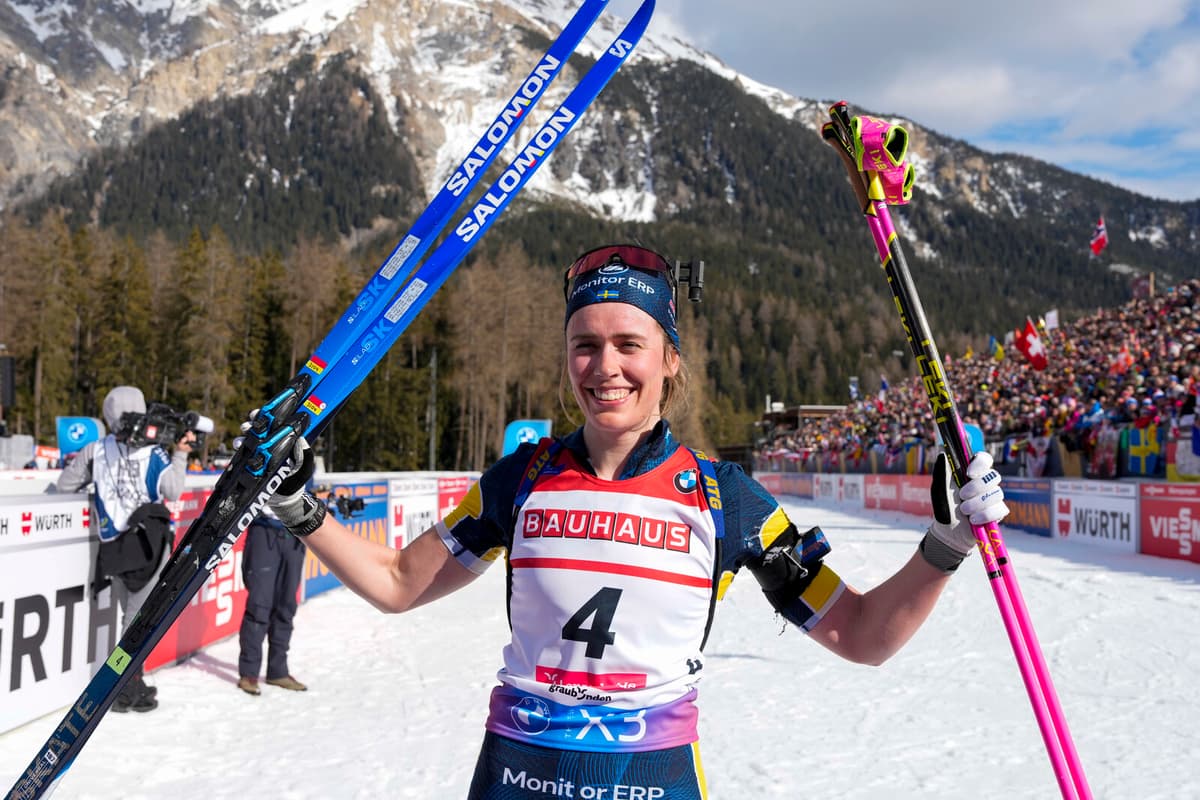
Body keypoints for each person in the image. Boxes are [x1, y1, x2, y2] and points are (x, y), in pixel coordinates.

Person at [258, 244, 1009, 798]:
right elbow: (397, 583)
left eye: (629, 345)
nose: (605, 367)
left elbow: (863, 635)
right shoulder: (521, 480)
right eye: (584, 346)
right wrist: (298, 506)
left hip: (651, 778)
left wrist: (946, 544)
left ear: (670, 359)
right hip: (518, 773)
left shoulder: (726, 499)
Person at [57, 385, 194, 712]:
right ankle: (120, 687)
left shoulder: (95, 450)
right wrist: (181, 453)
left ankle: (131, 680)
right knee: (136, 625)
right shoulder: (155, 451)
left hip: (113, 548)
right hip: (148, 546)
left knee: (131, 622)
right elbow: (173, 490)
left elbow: (64, 486)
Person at [236, 504, 310, 695]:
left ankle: (278, 672)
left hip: (295, 532)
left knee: (286, 606)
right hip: (263, 529)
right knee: (259, 605)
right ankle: (248, 673)